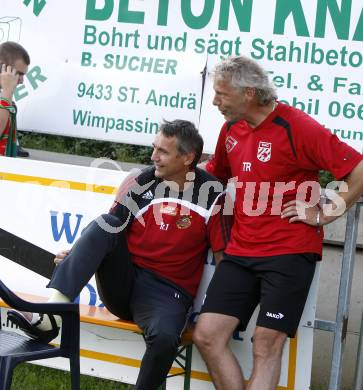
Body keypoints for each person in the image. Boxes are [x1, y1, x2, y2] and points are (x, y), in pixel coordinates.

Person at [8, 119, 231, 390]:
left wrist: (216, 313)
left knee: (164, 339)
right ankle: (51, 317)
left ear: (187, 157)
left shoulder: (213, 194)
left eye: (163, 151)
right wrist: (79, 253)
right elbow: (109, 230)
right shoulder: (140, 180)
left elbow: (224, 260)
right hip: (123, 285)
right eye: (154, 148)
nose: (153, 157)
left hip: (167, 292)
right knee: (107, 222)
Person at [193, 56, 363, 390]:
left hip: (289, 253)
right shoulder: (231, 129)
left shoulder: (297, 126)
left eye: (222, 94)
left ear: (250, 94)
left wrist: (327, 212)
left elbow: (358, 171)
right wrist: (167, 177)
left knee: (266, 343)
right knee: (207, 335)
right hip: (241, 250)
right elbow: (215, 173)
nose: (215, 102)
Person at [0, 41, 30, 157]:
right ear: (3, 68)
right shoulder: (6, 96)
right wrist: (7, 92)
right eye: (19, 74)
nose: (22, 81)